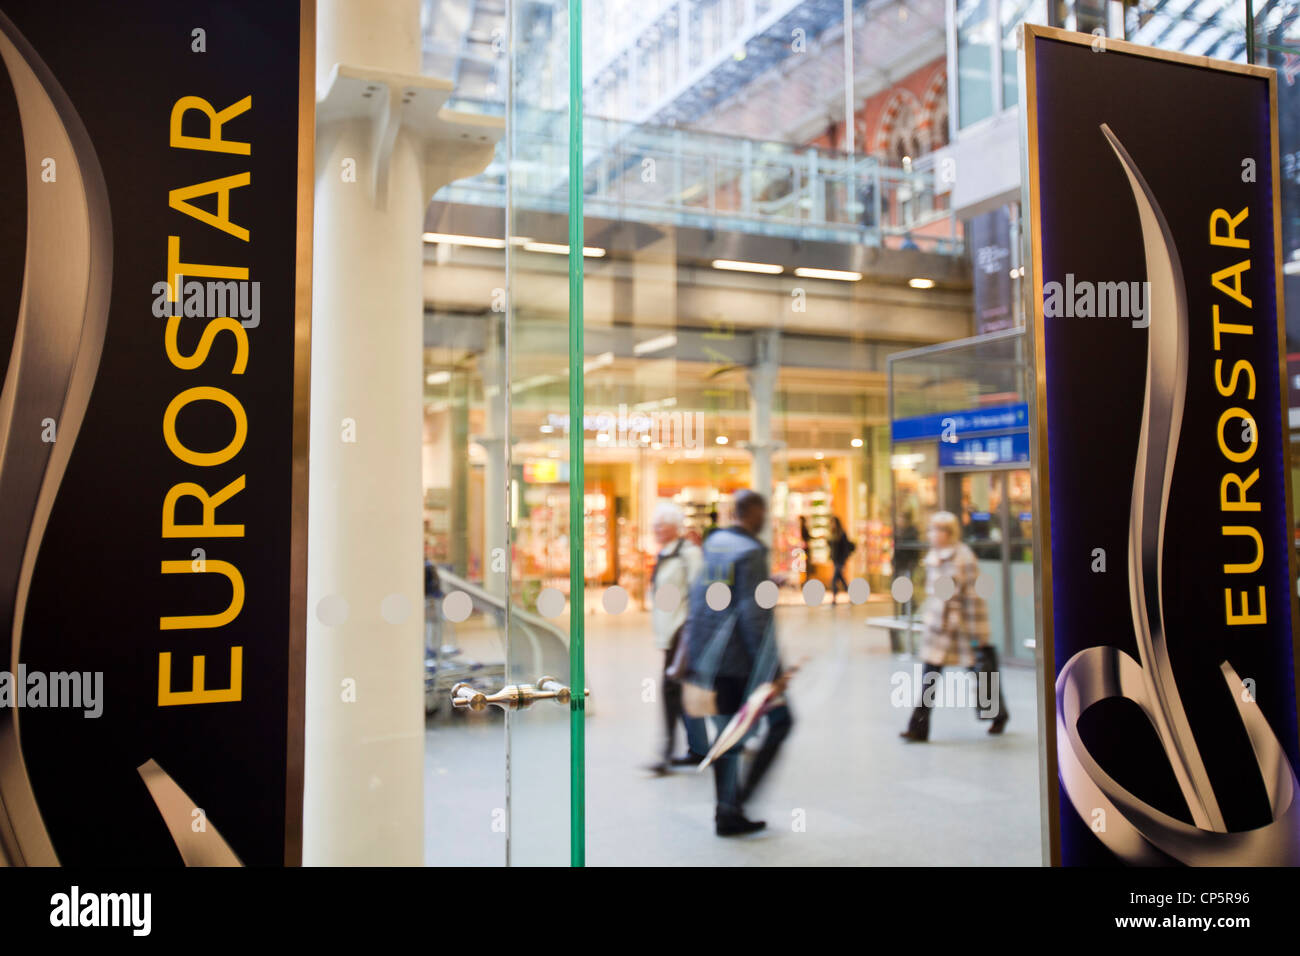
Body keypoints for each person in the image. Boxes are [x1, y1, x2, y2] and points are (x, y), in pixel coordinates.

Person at [683, 490, 793, 836]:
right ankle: (735, 804)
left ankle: (728, 810)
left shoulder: (717, 544)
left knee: (728, 733)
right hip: (739, 662)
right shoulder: (752, 551)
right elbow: (752, 616)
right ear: (755, 512)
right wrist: (773, 670)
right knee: (780, 721)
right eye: (764, 513)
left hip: (709, 655)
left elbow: (713, 595)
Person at [900, 511, 1008, 741]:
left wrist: (977, 634)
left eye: (938, 530)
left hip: (963, 628)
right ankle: (918, 727)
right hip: (940, 627)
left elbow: (971, 598)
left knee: (979, 671)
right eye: (932, 529)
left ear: (949, 533)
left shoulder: (964, 558)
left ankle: (999, 714)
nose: (933, 534)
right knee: (930, 674)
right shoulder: (934, 556)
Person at [647, 502, 707, 773]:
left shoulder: (688, 554)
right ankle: (699, 748)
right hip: (669, 633)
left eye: (662, 524)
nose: (657, 530)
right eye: (655, 525)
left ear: (675, 527)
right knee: (682, 691)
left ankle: (667, 752)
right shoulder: (665, 554)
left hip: (683, 632)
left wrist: (691, 631)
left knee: (671, 689)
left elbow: (699, 592)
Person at [827, 515, 855, 603]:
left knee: (834, 579)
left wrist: (844, 560)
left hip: (840, 560)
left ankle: (834, 598)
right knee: (841, 579)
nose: (832, 525)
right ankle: (850, 594)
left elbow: (845, 548)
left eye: (833, 523)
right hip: (835, 560)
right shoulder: (832, 534)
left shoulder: (842, 534)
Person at [798, 515, 812, 583]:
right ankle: (805, 580)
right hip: (803, 549)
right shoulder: (801, 528)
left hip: (804, 550)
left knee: (805, 565)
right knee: (804, 565)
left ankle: (805, 580)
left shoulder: (803, 528)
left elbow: (807, 538)